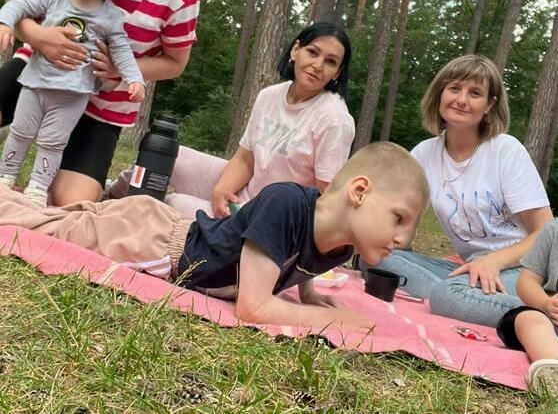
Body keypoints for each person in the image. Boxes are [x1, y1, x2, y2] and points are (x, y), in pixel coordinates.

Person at [0, 142, 429, 331]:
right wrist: (334, 320)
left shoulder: (341, 243)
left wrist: (310, 295)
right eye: (399, 218)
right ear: (359, 192)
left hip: (162, 230)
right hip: (154, 240)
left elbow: (302, 262)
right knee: (37, 226)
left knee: (49, 218)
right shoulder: (285, 203)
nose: (402, 238)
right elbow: (253, 307)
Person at [0, 0, 198, 205]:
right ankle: (17, 141)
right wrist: (40, 37)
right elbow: (21, 9)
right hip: (36, 76)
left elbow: (175, 63)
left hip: (104, 106)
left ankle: (76, 172)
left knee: (72, 203)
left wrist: (122, 70)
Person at [365, 55, 553, 327]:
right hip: (469, 270)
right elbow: (402, 229)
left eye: (475, 93)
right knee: (375, 260)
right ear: (440, 93)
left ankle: (544, 314)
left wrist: (495, 261)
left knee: (447, 295)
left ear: (489, 105)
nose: (461, 100)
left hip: (525, 270)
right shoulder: (424, 154)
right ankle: (463, 298)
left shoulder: (505, 150)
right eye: (454, 89)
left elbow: (545, 232)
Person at [106, 22, 355, 219]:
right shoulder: (270, 96)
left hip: (267, 217)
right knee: (169, 155)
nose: (317, 65)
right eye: (313, 52)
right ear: (296, 50)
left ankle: (136, 219)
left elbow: (325, 198)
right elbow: (246, 158)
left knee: (174, 203)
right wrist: (222, 189)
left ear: (338, 72)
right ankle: (109, 198)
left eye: (330, 62)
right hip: (245, 188)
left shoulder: (334, 119)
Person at [0, 0, 145, 206]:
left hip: (72, 94)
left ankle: (37, 187)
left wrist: (134, 78)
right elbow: (18, 6)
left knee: (52, 142)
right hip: (35, 82)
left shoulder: (110, 16)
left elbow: (122, 51)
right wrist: (5, 23)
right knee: (20, 132)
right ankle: (5, 176)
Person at [496, 219, 558, 394]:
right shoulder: (553, 230)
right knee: (528, 319)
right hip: (551, 323)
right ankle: (552, 369)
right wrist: (546, 304)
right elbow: (526, 282)